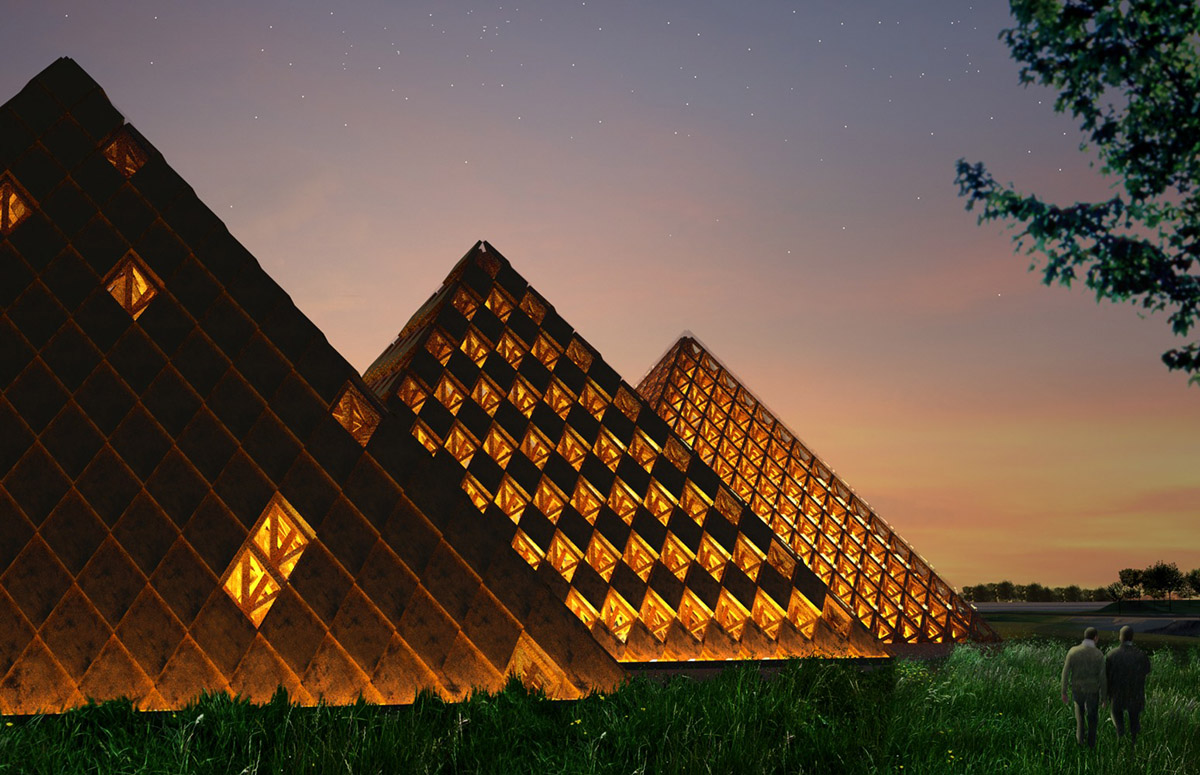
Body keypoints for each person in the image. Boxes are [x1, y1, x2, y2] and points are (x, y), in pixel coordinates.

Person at [1061, 626, 1107, 748]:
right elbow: (1103, 678)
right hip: (1093, 691)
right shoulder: (1099, 654)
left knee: (1079, 720)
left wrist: (1064, 691)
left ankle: (1080, 744)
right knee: (1092, 720)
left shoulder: (1073, 651)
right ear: (1095, 638)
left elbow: (1065, 673)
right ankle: (1091, 746)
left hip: (1077, 690)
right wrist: (1104, 697)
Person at [1106, 625, 1151, 746]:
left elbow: (1107, 676)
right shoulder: (1141, 654)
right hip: (1135, 695)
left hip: (1117, 694)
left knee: (1118, 721)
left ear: (1120, 637)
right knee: (1134, 722)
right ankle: (1134, 745)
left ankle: (1120, 742)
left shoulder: (1111, 655)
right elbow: (1147, 670)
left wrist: (1105, 695)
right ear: (1132, 637)